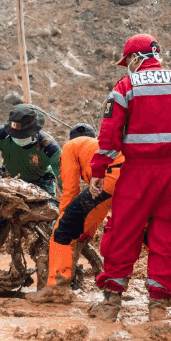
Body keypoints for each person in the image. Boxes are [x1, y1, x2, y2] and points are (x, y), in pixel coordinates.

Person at [89, 34, 171, 322]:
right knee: (168, 236)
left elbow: (109, 137)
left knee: (122, 233)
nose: (127, 66)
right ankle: (158, 308)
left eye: (127, 61)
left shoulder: (125, 87)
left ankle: (111, 304)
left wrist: (99, 170)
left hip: (136, 173)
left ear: (135, 59)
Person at [26, 123, 124, 304]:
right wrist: (84, 233)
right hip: (134, 180)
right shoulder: (97, 146)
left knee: (63, 231)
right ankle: (167, 293)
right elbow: (98, 209)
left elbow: (70, 189)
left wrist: (64, 218)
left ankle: (57, 290)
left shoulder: (70, 147)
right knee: (140, 232)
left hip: (110, 179)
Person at [0, 104, 62, 195]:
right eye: (15, 134)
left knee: (46, 207)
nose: (18, 138)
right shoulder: (0, 134)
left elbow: (64, 177)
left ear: (34, 130)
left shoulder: (49, 147)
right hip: (8, 178)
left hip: (40, 181)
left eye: (22, 135)